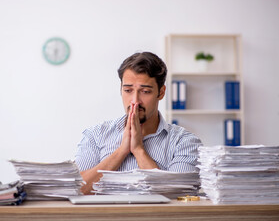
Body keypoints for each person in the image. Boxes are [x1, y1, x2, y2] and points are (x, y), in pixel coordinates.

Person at [75, 52, 202, 194]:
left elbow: (178, 196)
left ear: (161, 93)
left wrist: (139, 150)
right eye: (128, 90)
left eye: (145, 91)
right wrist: (120, 152)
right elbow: (77, 189)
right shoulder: (95, 135)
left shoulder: (184, 142)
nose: (135, 100)